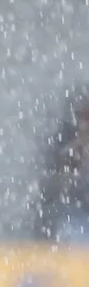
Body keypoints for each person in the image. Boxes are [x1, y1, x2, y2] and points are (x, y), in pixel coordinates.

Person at [36, 91, 89, 243]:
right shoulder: (67, 152)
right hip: (75, 224)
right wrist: (72, 167)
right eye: (83, 119)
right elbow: (52, 195)